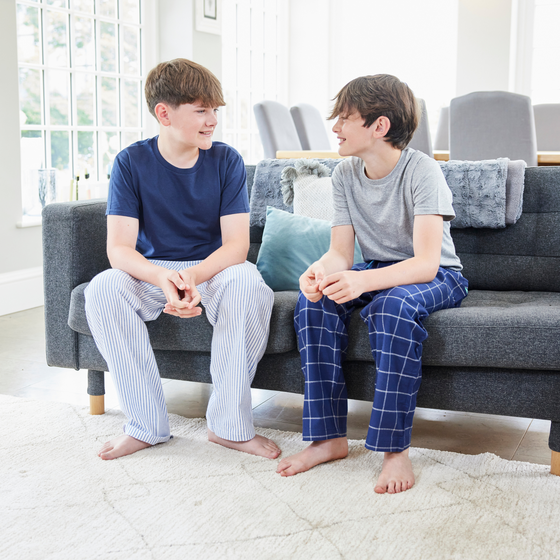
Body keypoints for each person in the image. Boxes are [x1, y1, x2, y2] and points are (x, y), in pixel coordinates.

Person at [276, 74, 468, 493]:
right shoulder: (345, 174)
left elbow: (425, 264)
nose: (335, 127)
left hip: (438, 275)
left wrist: (364, 284)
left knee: (392, 307)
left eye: (345, 118)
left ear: (379, 126)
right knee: (314, 303)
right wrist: (320, 271)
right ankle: (328, 439)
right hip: (379, 267)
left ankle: (395, 451)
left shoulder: (423, 171)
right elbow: (341, 253)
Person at [84, 58, 280, 461]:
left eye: (215, 111)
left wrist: (190, 276)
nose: (213, 121)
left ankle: (229, 426)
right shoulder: (130, 162)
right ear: (164, 113)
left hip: (214, 269)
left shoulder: (226, 161)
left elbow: (236, 247)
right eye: (201, 110)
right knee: (102, 288)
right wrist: (162, 279)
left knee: (248, 282)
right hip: (153, 273)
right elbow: (119, 249)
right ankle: (145, 425)